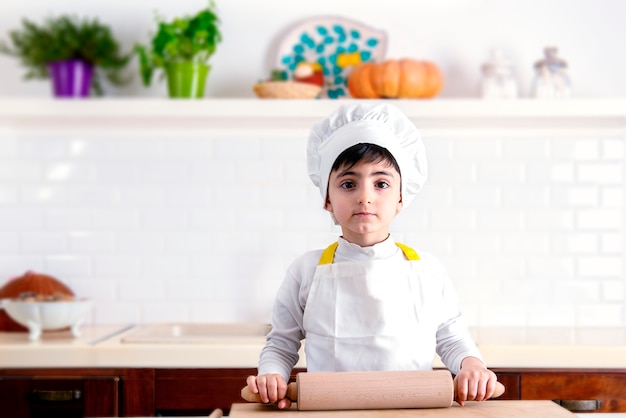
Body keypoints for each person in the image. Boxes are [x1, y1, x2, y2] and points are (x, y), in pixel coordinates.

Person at [246, 102, 498, 409]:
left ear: (401, 197)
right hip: (332, 412)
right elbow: (281, 344)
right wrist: (271, 376)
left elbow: (452, 339)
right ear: (327, 198)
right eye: (349, 184)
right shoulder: (306, 270)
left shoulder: (427, 271)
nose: (365, 196)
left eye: (381, 184)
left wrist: (471, 366)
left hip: (412, 412)